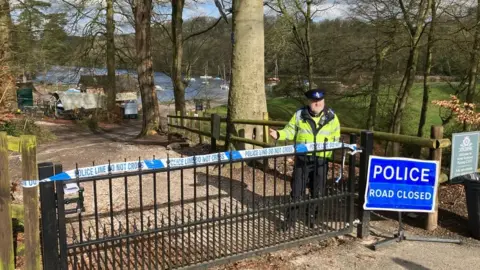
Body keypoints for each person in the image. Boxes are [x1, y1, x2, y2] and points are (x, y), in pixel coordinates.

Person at [269, 88, 341, 229]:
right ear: (309, 102)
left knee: (318, 192)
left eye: (319, 101)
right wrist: (279, 134)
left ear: (323, 101)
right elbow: (290, 130)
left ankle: (311, 219)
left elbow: (336, 136)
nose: (317, 103)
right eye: (314, 101)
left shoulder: (332, 117)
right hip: (303, 159)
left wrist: (331, 149)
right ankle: (290, 221)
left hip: (321, 160)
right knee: (297, 191)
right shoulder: (299, 115)